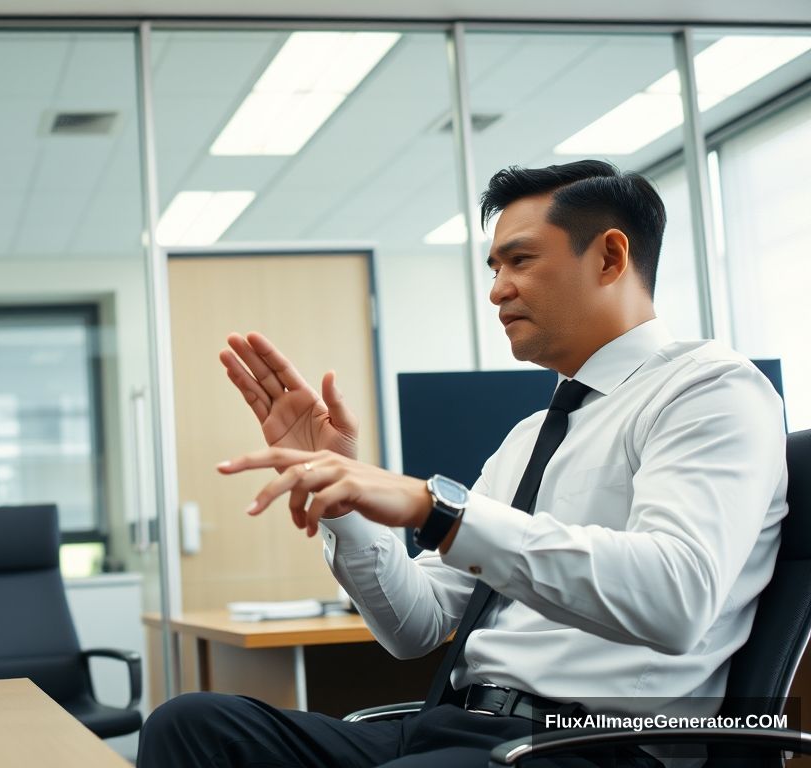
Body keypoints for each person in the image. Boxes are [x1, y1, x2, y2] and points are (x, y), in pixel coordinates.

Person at [137, 160, 789, 767]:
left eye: (520, 261)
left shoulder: (710, 391)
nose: (498, 290)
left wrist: (439, 508)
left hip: (590, 743)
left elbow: (677, 597)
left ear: (610, 257)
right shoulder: (532, 436)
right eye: (493, 268)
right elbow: (414, 626)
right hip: (456, 723)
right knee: (191, 726)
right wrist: (348, 505)